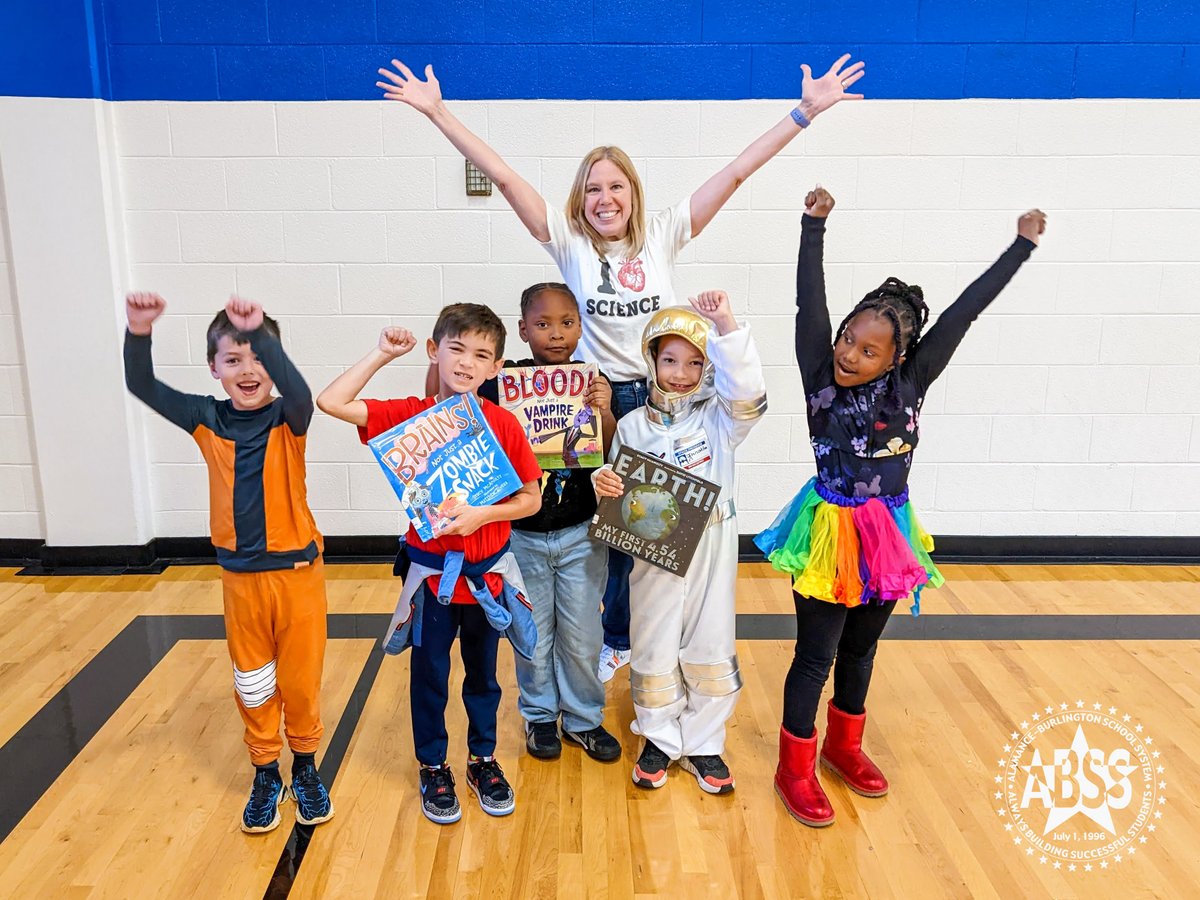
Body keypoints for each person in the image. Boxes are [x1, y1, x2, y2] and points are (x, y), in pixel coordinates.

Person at [376, 52, 865, 682]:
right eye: (593, 188)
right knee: (599, 528)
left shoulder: (664, 233)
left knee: (656, 533)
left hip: (664, 400)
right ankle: (610, 639)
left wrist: (804, 113)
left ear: (633, 193)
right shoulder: (568, 241)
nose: (605, 198)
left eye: (616, 186)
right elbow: (500, 175)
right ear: (582, 198)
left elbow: (737, 171)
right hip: (592, 401)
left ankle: (653, 650)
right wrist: (438, 111)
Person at [758, 187, 1047, 826]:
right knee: (817, 654)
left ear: (896, 358)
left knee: (862, 651)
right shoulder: (820, 377)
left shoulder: (912, 383)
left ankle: (843, 746)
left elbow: (964, 314)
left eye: (867, 350)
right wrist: (813, 227)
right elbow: (811, 301)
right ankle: (794, 766)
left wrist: (1020, 247)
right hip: (831, 532)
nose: (848, 353)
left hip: (889, 531)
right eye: (847, 340)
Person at [316, 303, 543, 825]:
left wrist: (483, 513)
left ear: (496, 368)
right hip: (432, 583)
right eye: (457, 348)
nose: (466, 363)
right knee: (430, 676)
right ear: (434, 350)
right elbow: (331, 401)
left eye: (481, 355)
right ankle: (433, 765)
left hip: (486, 580)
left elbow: (530, 499)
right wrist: (382, 353)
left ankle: (482, 759)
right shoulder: (409, 416)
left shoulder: (502, 424)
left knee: (485, 678)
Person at [123, 293, 333, 834]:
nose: (248, 370)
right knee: (254, 681)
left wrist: (259, 331)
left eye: (259, 358)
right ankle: (266, 771)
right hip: (241, 582)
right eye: (233, 359)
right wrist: (139, 331)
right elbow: (142, 386)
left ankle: (306, 766)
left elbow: (302, 389)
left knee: (301, 681)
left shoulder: (291, 415)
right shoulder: (205, 418)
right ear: (213, 368)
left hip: (298, 579)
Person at [592, 291, 766, 794]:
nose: (681, 373)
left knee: (711, 639)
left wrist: (726, 323)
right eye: (669, 359)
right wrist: (605, 483)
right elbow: (617, 489)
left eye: (695, 362)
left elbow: (749, 393)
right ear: (651, 360)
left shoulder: (719, 420)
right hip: (655, 555)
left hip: (712, 547)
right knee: (653, 640)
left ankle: (705, 742)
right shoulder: (629, 425)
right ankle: (659, 737)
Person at [500, 282, 623, 763]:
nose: (556, 334)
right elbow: (453, 408)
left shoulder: (592, 380)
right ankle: (539, 717)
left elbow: (609, 447)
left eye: (567, 323)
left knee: (582, 634)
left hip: (580, 531)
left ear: (580, 326)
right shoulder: (505, 381)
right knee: (534, 633)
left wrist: (605, 409)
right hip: (521, 536)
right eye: (544, 324)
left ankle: (584, 719)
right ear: (523, 330)